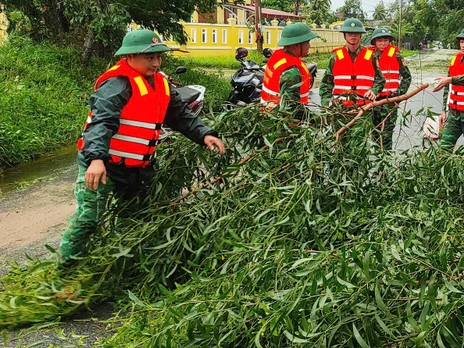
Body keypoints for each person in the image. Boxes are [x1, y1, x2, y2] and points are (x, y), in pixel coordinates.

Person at [60, 30, 225, 270]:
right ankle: (65, 272)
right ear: (130, 56)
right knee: (88, 219)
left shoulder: (162, 83)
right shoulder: (116, 84)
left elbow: (180, 115)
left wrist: (205, 134)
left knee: (139, 217)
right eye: (149, 58)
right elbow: (100, 122)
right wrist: (96, 159)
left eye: (158, 57)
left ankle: (127, 266)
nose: (156, 63)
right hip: (104, 165)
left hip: (138, 168)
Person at [320, 18, 385, 108]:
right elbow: (326, 84)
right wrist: (325, 104)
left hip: (364, 109)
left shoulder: (370, 56)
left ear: (360, 36)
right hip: (340, 109)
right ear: (344, 35)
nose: (353, 36)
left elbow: (380, 80)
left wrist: (374, 90)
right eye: (349, 33)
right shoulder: (335, 57)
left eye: (356, 33)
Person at [261, 22, 319, 118]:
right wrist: (315, 119)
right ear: (296, 45)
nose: (309, 46)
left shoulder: (278, 57)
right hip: (283, 123)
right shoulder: (292, 72)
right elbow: (291, 108)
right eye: (307, 42)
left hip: (269, 116)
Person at [369, 28, 411, 150]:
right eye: (380, 40)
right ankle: (377, 162)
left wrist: (399, 94)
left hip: (389, 101)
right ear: (374, 41)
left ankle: (385, 162)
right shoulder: (368, 56)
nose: (382, 43)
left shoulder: (396, 56)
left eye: (385, 40)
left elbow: (407, 77)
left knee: (387, 134)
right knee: (374, 133)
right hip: (372, 101)